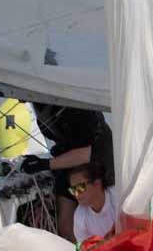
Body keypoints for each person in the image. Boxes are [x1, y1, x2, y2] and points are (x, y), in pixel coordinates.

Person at [20, 103, 114, 243]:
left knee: (109, 218)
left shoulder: (77, 106)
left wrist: (45, 164)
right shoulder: (37, 102)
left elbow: (85, 153)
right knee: (66, 229)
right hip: (66, 160)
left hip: (96, 160)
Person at [68, 163, 153, 251]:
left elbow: (141, 237)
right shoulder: (79, 215)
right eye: (73, 190)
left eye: (80, 187)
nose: (76, 194)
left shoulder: (122, 196)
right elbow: (86, 250)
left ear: (97, 184)